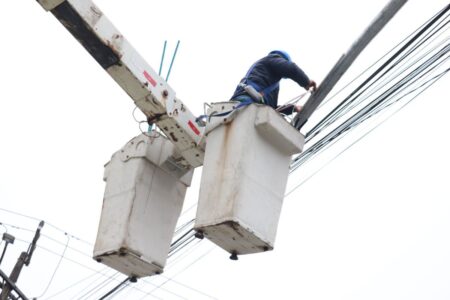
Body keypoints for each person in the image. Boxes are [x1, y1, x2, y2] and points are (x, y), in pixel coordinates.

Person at [230, 50, 317, 115]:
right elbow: (291, 68)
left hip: (257, 107)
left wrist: (293, 108)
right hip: (247, 101)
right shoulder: (272, 59)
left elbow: (272, 108)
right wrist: (306, 82)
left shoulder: (272, 83)